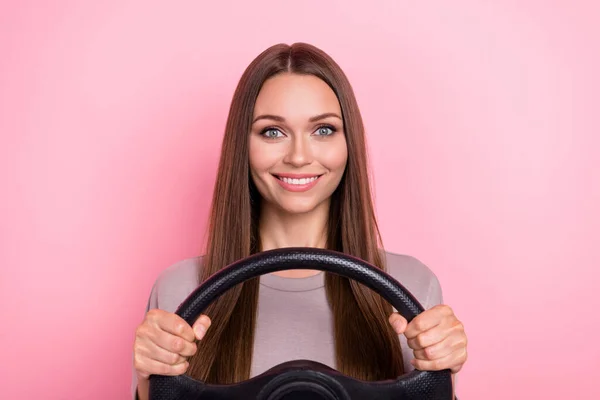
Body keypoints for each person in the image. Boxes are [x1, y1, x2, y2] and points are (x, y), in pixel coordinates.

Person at [131, 42, 468, 400]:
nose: (298, 156)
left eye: (323, 130)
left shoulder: (411, 287)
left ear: (348, 142)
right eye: (272, 132)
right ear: (241, 145)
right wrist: (146, 381)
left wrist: (445, 370)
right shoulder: (181, 290)